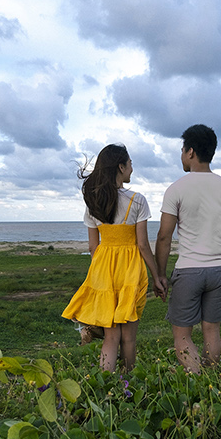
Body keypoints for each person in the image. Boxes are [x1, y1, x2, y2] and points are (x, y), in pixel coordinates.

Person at [62, 144, 165, 372]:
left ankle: (106, 384)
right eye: (130, 164)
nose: (132, 169)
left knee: (110, 338)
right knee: (128, 337)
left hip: (103, 269)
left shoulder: (93, 201)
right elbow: (142, 244)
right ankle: (128, 381)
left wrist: (99, 273)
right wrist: (157, 276)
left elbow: (92, 246)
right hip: (130, 270)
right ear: (120, 166)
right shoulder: (137, 200)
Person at [155, 124, 221, 373]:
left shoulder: (176, 189)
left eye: (182, 150)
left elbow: (164, 237)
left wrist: (160, 275)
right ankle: (211, 381)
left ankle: (198, 380)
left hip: (189, 271)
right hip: (220, 270)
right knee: (212, 330)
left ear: (191, 152)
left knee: (182, 336)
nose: (182, 155)